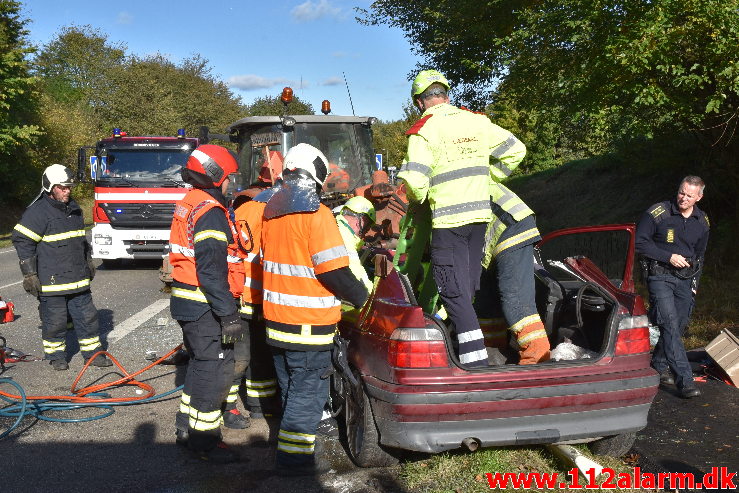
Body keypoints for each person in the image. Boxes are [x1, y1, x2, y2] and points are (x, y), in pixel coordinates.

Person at [397, 69, 549, 367]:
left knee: (496, 296)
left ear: (419, 102)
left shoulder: (425, 130)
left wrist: (418, 201)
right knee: (477, 293)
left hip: (474, 226)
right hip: (485, 221)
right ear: (447, 95)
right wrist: (488, 176)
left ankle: (532, 360)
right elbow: (516, 150)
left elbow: (415, 183)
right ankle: (493, 353)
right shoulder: (478, 122)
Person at [261, 143, 368, 475]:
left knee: (291, 391)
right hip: (308, 328)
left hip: (276, 325)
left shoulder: (271, 214)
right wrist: (364, 299)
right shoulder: (318, 216)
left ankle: (288, 450)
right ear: (314, 176)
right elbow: (334, 271)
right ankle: (294, 463)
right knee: (307, 396)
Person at [168, 144, 245, 463]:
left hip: (187, 301)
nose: (230, 184)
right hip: (203, 305)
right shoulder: (210, 211)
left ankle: (186, 426)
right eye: (229, 178)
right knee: (210, 369)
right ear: (215, 175)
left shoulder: (190, 201)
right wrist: (228, 313)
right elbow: (211, 271)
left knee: (200, 365)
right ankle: (204, 442)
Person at [12, 164, 112, 371]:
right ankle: (56, 356)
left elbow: (80, 240)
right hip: (52, 282)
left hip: (78, 279)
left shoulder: (74, 209)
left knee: (88, 319)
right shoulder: (37, 213)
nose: (67, 191)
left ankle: (93, 355)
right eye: (62, 187)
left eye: (69, 187)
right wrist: (29, 274)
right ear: (50, 187)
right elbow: (22, 240)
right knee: (54, 321)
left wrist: (88, 261)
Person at [636, 176, 709, 399]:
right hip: (660, 276)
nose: (683, 198)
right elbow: (639, 242)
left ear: (699, 197)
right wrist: (668, 257)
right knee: (668, 324)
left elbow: (700, 255)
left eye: (689, 195)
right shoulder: (658, 212)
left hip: (686, 280)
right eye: (681, 193)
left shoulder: (702, 220)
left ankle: (657, 365)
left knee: (678, 326)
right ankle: (685, 381)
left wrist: (694, 285)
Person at [335, 196, 376, 292]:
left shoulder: (335, 227)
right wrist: (372, 294)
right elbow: (356, 277)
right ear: (361, 221)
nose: (364, 234)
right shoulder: (344, 237)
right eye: (366, 228)